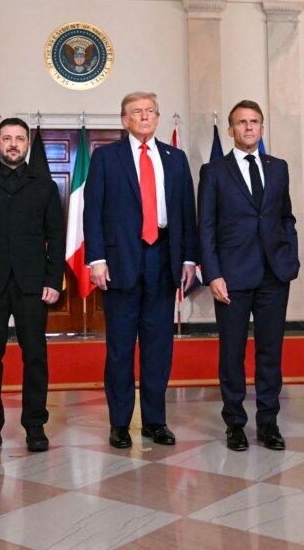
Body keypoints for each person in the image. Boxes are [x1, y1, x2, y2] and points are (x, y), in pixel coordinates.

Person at [84, 91, 197, 449]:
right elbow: (93, 211)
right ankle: (119, 423)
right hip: (120, 263)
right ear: (124, 120)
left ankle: (154, 421)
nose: (144, 117)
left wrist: (190, 259)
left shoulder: (176, 159)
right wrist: (96, 258)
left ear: (158, 117)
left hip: (163, 258)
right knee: (119, 348)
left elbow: (186, 213)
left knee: (158, 347)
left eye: (150, 111)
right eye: (137, 112)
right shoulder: (106, 158)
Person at [0, 117, 65, 455]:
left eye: (19, 138)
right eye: (7, 138)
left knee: (35, 356)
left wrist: (53, 280)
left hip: (33, 285)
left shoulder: (45, 186)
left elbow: (57, 238)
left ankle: (35, 426)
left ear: (27, 145)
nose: (13, 144)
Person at [198, 100, 299, 451]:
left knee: (271, 352)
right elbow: (206, 228)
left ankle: (269, 423)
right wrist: (213, 274)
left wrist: (290, 256)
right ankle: (235, 424)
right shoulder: (213, 172)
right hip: (232, 278)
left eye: (254, 121)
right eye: (241, 122)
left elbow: (286, 216)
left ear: (261, 127)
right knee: (232, 354)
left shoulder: (278, 167)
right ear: (231, 130)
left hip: (274, 275)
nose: (249, 128)